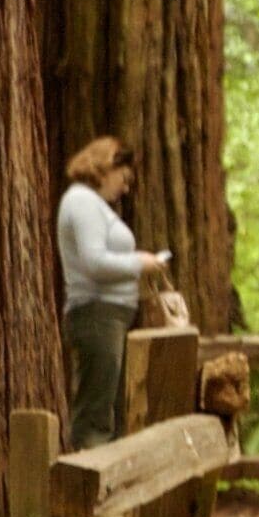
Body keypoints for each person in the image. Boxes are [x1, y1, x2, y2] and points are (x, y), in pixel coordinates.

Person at [55, 136, 168, 449]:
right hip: (96, 316)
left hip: (110, 317)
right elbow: (94, 262)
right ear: (106, 166)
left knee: (111, 406)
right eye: (124, 178)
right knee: (96, 412)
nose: (126, 187)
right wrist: (139, 262)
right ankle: (87, 481)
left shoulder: (93, 205)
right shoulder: (81, 201)